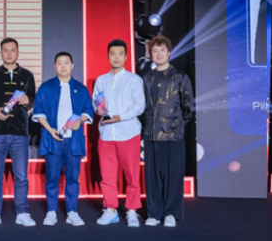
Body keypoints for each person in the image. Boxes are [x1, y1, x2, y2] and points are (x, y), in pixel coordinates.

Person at [32, 51, 94, 227]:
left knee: (73, 178)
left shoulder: (81, 88)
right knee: (52, 178)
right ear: (55, 66)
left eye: (66, 63)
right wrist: (49, 129)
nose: (63, 66)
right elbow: (39, 111)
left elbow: (88, 110)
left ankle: (72, 212)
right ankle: (51, 212)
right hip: (53, 139)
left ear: (72, 66)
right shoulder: (46, 87)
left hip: (73, 141)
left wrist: (80, 121)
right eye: (59, 63)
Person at [0, 37, 37, 227]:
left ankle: (22, 212)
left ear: (18, 53)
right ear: (1, 53)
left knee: (21, 177)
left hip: (20, 132)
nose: (9, 53)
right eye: (6, 50)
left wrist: (27, 102)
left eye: (13, 50)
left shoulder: (27, 75)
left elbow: (34, 101)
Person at [141, 34, 193, 228]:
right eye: (155, 50)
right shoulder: (146, 79)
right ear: (150, 54)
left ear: (169, 53)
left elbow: (188, 108)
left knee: (173, 176)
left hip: (173, 135)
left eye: (162, 50)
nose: (159, 54)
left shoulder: (180, 77)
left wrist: (175, 125)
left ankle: (171, 213)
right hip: (151, 135)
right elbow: (142, 108)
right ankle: (153, 213)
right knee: (152, 177)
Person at [93, 39, 145, 227]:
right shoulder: (101, 80)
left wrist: (120, 117)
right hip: (106, 134)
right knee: (107, 176)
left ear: (126, 56)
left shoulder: (134, 80)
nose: (116, 57)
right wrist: (98, 110)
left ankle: (132, 211)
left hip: (128, 134)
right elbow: (97, 103)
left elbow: (139, 106)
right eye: (113, 53)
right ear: (108, 56)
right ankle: (111, 209)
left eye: (120, 53)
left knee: (132, 176)